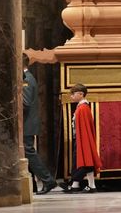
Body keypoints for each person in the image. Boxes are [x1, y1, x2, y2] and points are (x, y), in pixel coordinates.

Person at [22, 56, 56, 195]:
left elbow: (25, 103)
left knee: (29, 152)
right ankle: (44, 182)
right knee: (28, 153)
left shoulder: (26, 79)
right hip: (26, 123)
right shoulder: (26, 77)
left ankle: (48, 180)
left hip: (26, 123)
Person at [64, 83, 101, 193]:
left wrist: (82, 141)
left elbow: (85, 129)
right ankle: (89, 186)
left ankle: (76, 184)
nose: (71, 96)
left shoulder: (83, 108)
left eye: (73, 94)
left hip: (82, 140)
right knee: (83, 162)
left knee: (85, 163)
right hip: (80, 139)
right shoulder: (81, 107)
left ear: (80, 94)